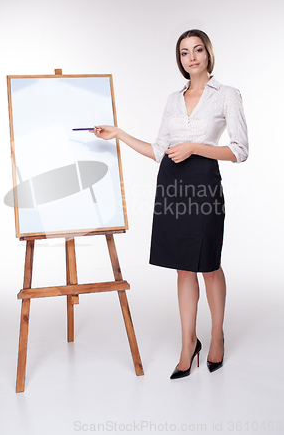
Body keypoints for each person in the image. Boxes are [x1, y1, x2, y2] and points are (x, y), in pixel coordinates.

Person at [90, 29, 248, 379]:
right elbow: (158, 151)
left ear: (208, 53)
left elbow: (240, 151)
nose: (191, 57)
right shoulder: (173, 99)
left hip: (204, 183)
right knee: (182, 267)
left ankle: (217, 335)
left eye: (197, 50)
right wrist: (119, 133)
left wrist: (194, 147)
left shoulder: (228, 96)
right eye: (184, 53)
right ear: (179, 60)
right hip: (172, 185)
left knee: (208, 263)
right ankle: (187, 343)